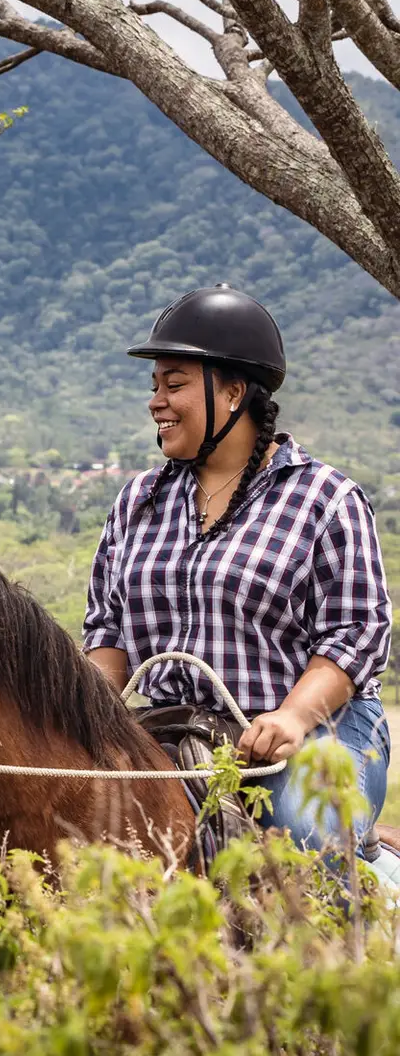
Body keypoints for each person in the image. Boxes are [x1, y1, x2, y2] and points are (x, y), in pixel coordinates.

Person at [83, 285, 394, 872]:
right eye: (154, 387)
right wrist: (77, 714)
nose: (156, 402)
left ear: (232, 392)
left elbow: (355, 635)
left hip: (313, 731)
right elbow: (108, 633)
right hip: (171, 727)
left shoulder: (325, 498)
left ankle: (341, 950)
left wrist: (294, 717)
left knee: (302, 844)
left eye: (174, 385)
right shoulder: (138, 501)